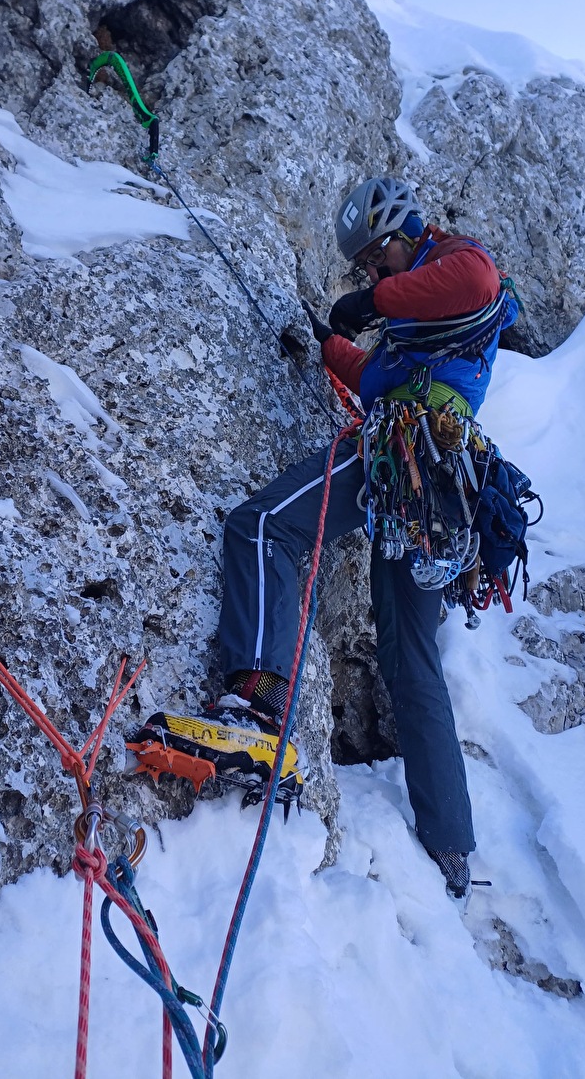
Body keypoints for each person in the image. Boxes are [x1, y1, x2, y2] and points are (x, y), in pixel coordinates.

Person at [131, 176, 518, 899]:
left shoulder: (458, 264)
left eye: (378, 257)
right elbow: (376, 375)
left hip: (403, 452)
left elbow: (475, 278)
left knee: (262, 526)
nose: (373, 272)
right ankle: (451, 842)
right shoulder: (422, 327)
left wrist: (372, 302)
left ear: (409, 234)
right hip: (436, 484)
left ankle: (252, 704)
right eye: (367, 266)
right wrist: (326, 345)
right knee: (410, 662)